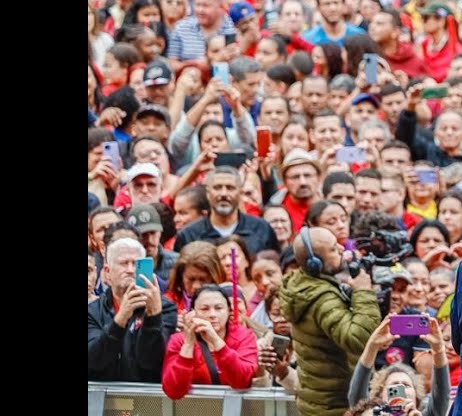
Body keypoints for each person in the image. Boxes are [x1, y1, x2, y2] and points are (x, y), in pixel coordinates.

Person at [279, 226, 382, 416]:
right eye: (334, 249)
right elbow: (359, 339)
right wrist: (363, 292)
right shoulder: (322, 300)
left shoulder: (302, 285)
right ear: (314, 264)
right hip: (335, 407)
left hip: (318, 403)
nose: (342, 250)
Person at [89, 237, 178, 382]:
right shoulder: (92, 311)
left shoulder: (165, 307)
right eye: (124, 263)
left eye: (136, 264)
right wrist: (121, 319)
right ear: (107, 272)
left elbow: (150, 362)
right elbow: (94, 360)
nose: (130, 270)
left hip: (146, 398)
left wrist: (153, 316)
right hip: (101, 398)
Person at [161, 284, 258, 398]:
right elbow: (173, 391)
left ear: (228, 311)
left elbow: (242, 381)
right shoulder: (179, 340)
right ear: (193, 312)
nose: (212, 315)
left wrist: (216, 341)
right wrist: (188, 345)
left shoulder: (244, 336)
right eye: (205, 309)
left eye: (218, 308)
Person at [173, 166, 281, 255]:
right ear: (208, 193)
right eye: (217, 187)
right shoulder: (188, 235)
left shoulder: (261, 229)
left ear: (240, 192)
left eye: (230, 188)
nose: (224, 194)